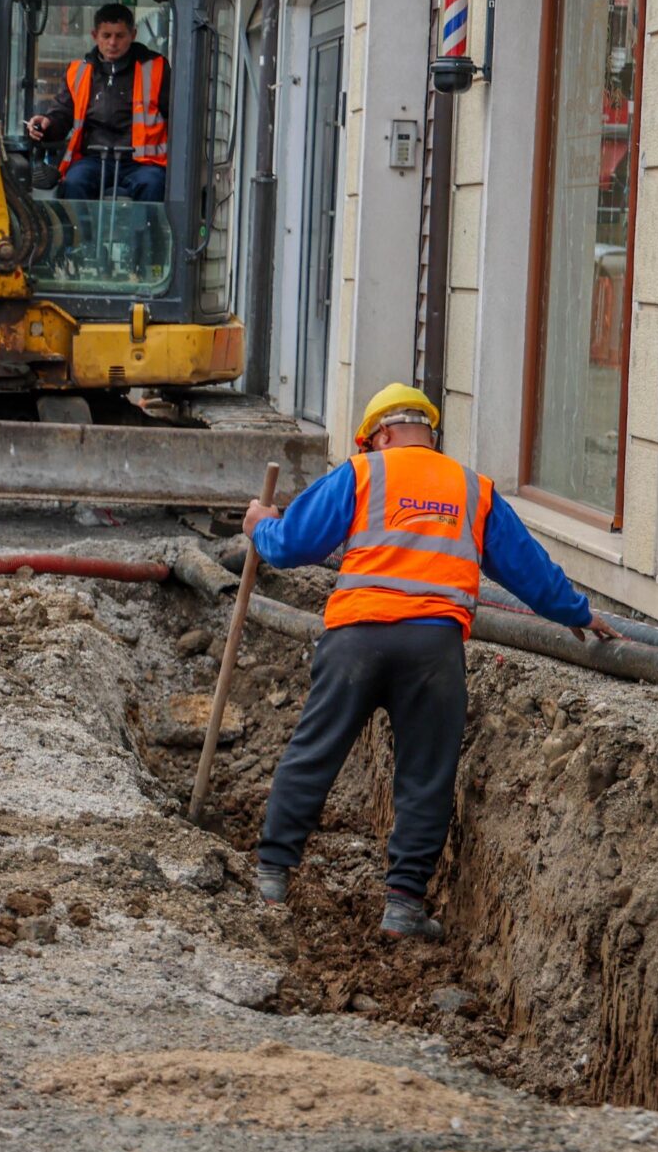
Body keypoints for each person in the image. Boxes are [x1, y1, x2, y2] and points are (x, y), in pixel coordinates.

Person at [241, 383, 617, 941]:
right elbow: (527, 568)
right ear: (430, 435)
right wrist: (579, 613)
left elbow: (293, 545)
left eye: (368, 443)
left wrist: (259, 525)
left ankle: (271, 875)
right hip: (434, 650)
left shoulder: (362, 473)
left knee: (314, 752)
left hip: (355, 639)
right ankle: (403, 907)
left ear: (381, 436)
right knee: (425, 775)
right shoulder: (472, 489)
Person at [23, 1, 168, 202]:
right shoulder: (79, 72)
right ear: (94, 36)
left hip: (142, 163)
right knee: (75, 182)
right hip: (93, 160)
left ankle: (147, 234)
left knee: (153, 184)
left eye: (120, 36)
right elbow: (63, 112)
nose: (112, 43)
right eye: (106, 36)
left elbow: (176, 117)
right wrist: (48, 123)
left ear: (133, 35)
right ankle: (81, 234)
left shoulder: (156, 68)